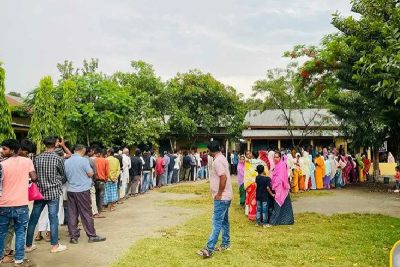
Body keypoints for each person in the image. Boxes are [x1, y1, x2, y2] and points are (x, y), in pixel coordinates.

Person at [26, 136, 67, 253]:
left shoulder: (37, 158)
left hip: (40, 192)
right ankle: (54, 245)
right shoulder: (58, 158)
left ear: (44, 144)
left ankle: (28, 245)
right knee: (53, 218)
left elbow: (34, 174)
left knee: (33, 218)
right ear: (55, 144)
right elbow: (62, 174)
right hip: (53, 192)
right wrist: (56, 180)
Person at [0, 139, 37, 266]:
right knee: (20, 232)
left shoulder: (2, 164)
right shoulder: (27, 161)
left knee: (2, 232)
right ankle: (19, 260)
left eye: (4, 149)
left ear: (12, 150)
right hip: (21, 204)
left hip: (3, 204)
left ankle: (1, 257)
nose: (2, 151)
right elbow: (34, 177)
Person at [197, 141, 233, 258]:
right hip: (226, 196)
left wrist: (219, 193)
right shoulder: (222, 158)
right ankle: (226, 243)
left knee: (216, 222)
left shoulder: (217, 161)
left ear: (211, 150)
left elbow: (223, 177)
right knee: (224, 221)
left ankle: (209, 248)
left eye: (208, 151)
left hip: (222, 197)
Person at [65, 145, 106, 244]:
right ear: (82, 150)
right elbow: (90, 173)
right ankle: (91, 235)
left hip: (70, 190)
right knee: (86, 213)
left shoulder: (67, 161)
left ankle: (73, 237)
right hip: (82, 190)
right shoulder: (84, 161)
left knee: (72, 213)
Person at [269, 151, 294, 225]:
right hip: (277, 187)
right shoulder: (276, 165)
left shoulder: (282, 165)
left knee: (278, 204)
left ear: (280, 158)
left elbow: (281, 177)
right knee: (280, 204)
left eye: (277, 157)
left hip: (281, 188)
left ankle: (274, 221)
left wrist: (276, 183)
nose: (276, 158)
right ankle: (282, 221)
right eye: (275, 157)